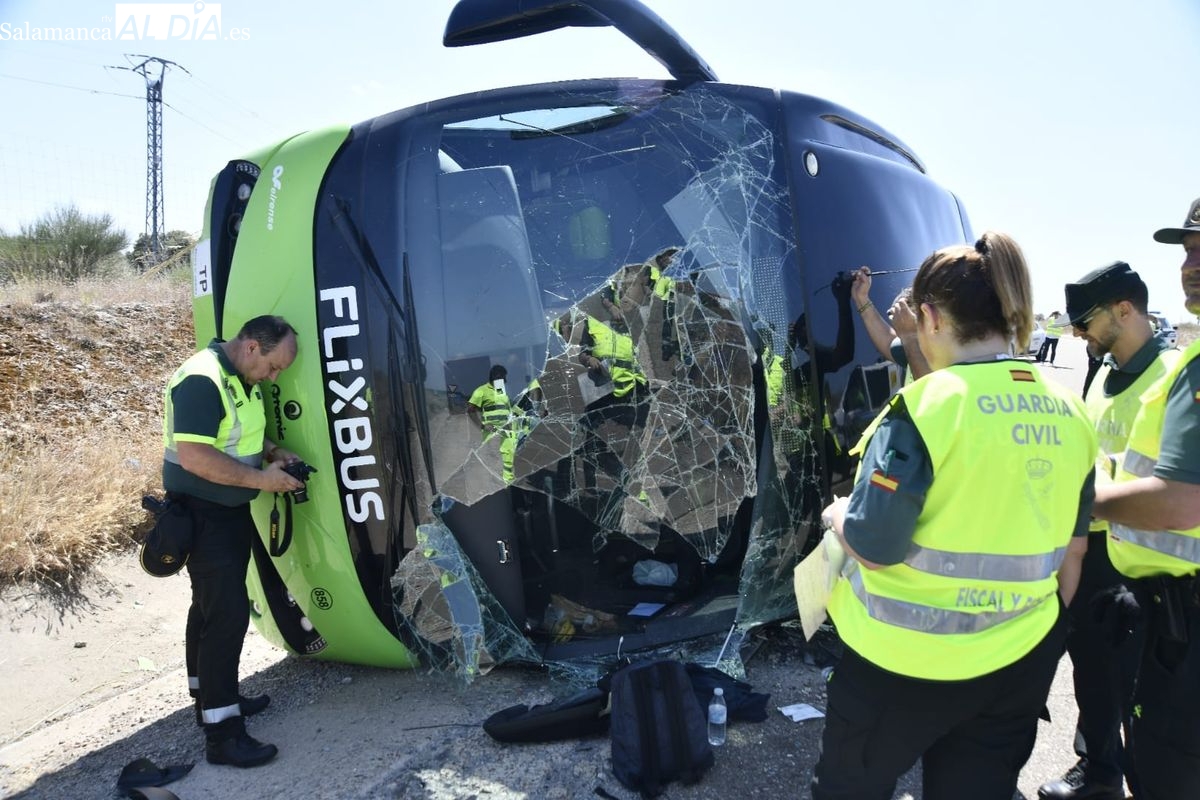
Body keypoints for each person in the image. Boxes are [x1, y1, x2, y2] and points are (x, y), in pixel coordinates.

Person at [810, 232, 1098, 800]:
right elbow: (1076, 553)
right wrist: (1039, 641)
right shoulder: (1070, 410)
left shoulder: (927, 406)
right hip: (1015, 664)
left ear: (932, 318)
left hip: (900, 664)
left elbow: (875, 542)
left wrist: (836, 514)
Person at [1038, 262, 1176, 800]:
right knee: (1092, 667)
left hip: (1148, 564)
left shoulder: (1169, 376)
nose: (1076, 333)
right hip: (1093, 551)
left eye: (1086, 321)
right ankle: (1098, 770)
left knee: (1142, 690)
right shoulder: (1104, 372)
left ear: (1125, 310)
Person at [1089, 197, 1200, 800]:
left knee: (1164, 772)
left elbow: (1183, 501)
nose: (1191, 263)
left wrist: (1090, 500)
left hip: (1185, 621)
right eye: (1187, 249)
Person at [162, 315, 304, 768]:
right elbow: (196, 456)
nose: (275, 376)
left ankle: (210, 700)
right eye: (274, 367)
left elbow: (237, 435)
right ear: (251, 348)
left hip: (226, 510)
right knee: (225, 615)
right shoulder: (203, 379)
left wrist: (273, 453)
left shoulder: (239, 377)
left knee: (208, 607)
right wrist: (263, 481)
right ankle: (223, 736)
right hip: (205, 514)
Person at [850, 266, 931, 381]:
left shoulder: (956, 357)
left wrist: (910, 337)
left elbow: (930, 390)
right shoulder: (916, 345)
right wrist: (861, 298)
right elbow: (888, 342)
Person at [467, 364, 519, 483]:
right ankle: (494, 486)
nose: (505, 380)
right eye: (503, 377)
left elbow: (505, 407)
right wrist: (482, 426)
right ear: (496, 376)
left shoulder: (500, 389)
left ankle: (508, 483)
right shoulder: (481, 391)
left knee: (509, 457)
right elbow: (470, 410)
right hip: (492, 433)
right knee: (493, 460)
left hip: (507, 431)